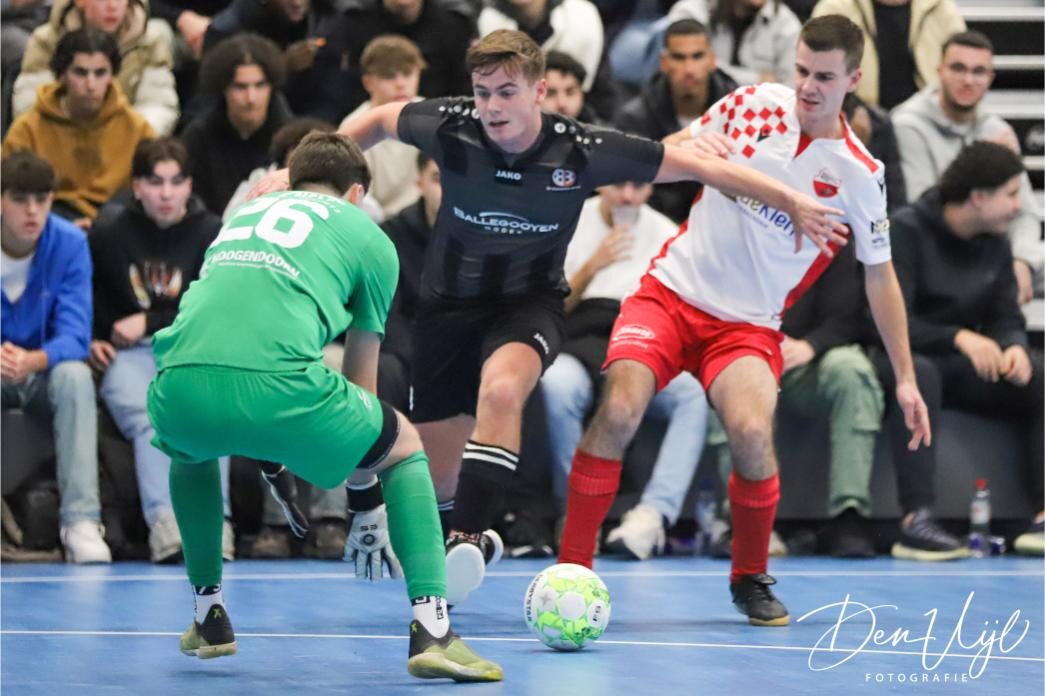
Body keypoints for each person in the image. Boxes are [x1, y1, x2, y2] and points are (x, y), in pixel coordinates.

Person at [249, 28, 847, 607]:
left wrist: (791, 201)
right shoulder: (451, 125)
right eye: (483, 92)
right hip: (447, 309)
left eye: (507, 92)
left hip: (527, 305)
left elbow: (701, 168)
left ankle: (466, 540)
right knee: (438, 484)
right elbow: (380, 120)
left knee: (502, 390)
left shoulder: (580, 149)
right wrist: (301, 175)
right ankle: (473, 534)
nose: (492, 107)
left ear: (539, 91)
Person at [557, 15, 931, 626]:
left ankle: (749, 576)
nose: (807, 87)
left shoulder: (861, 175)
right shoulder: (752, 104)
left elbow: (879, 276)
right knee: (620, 408)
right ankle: (572, 569)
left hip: (747, 326)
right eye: (802, 71)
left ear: (853, 80)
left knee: (754, 433)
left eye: (824, 77)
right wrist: (682, 151)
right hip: (671, 294)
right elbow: (661, 156)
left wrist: (907, 378)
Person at [146, 131, 502, 682]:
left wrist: (269, 452)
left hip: (176, 386)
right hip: (281, 389)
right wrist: (364, 499)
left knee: (189, 451)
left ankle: (208, 615)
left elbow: (229, 340)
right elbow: (361, 377)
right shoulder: (369, 236)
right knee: (404, 445)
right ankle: (433, 630)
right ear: (356, 193)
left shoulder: (241, 214)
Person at [883, 141, 1044, 558]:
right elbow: (885, 321)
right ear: (979, 197)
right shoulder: (905, 230)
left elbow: (1006, 316)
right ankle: (915, 518)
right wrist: (958, 337)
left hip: (963, 365)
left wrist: (1013, 346)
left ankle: (1042, 518)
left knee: (1040, 373)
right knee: (921, 375)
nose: (1018, 207)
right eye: (1011, 194)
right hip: (900, 359)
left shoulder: (996, 241)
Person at [543, 179, 709, 561]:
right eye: (619, 184)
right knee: (557, 384)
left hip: (641, 340)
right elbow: (548, 310)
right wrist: (591, 267)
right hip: (579, 338)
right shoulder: (567, 221)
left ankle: (653, 515)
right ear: (601, 182)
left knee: (691, 393)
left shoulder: (667, 233)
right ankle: (575, 512)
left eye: (639, 186)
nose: (628, 196)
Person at [88, 137, 234, 564]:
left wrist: (149, 321)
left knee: (207, 416)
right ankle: (167, 527)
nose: (166, 194)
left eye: (176, 181)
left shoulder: (212, 233)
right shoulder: (109, 233)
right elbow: (89, 297)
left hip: (192, 349)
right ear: (137, 187)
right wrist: (91, 338)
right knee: (151, 417)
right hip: (130, 355)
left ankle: (214, 526)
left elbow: (214, 310)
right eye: (155, 182)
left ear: (189, 186)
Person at [1, 150, 111, 564]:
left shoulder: (70, 243)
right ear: (1, 200)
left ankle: (81, 521)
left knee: (76, 376)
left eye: (42, 199)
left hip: (42, 372)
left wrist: (35, 360)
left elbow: (76, 335)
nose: (32, 211)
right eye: (20, 199)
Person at [891, 30, 1043, 302]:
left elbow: (1026, 212)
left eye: (978, 71)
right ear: (939, 71)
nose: (968, 80)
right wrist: (983, 164)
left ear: (990, 78)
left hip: (993, 249)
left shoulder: (996, 129)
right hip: (937, 254)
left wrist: (1022, 260)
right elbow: (922, 211)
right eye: (958, 68)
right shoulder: (907, 125)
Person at [2, 27, 155, 226]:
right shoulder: (28, 129)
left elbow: (154, 188)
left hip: (114, 224)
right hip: (48, 221)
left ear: (112, 76)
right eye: (80, 73)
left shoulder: (137, 129)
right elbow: (7, 189)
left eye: (100, 73)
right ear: (62, 75)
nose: (91, 84)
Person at [614, 18, 737, 222]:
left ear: (712, 60)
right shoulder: (635, 119)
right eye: (679, 58)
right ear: (664, 62)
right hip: (662, 225)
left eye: (697, 56)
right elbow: (636, 189)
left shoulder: (738, 112)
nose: (689, 69)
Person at [14, 0, 179, 135]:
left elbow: (159, 105)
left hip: (124, 144)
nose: (112, 6)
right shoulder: (47, 40)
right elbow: (29, 104)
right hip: (59, 139)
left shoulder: (149, 41)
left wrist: (126, 136)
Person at [179, 33, 291, 215]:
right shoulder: (198, 139)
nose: (251, 98)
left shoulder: (292, 140)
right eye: (241, 87)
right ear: (224, 89)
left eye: (260, 85)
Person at [810, 0, 965, 109]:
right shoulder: (835, 8)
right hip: (857, 116)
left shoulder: (941, 8)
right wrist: (851, 110)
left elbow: (965, 65)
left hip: (929, 119)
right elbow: (816, 70)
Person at [340, 35, 426, 219]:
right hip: (377, 224)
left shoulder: (432, 117)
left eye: (407, 74)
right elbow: (356, 199)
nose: (401, 84)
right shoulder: (354, 126)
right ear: (368, 82)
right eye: (389, 76)